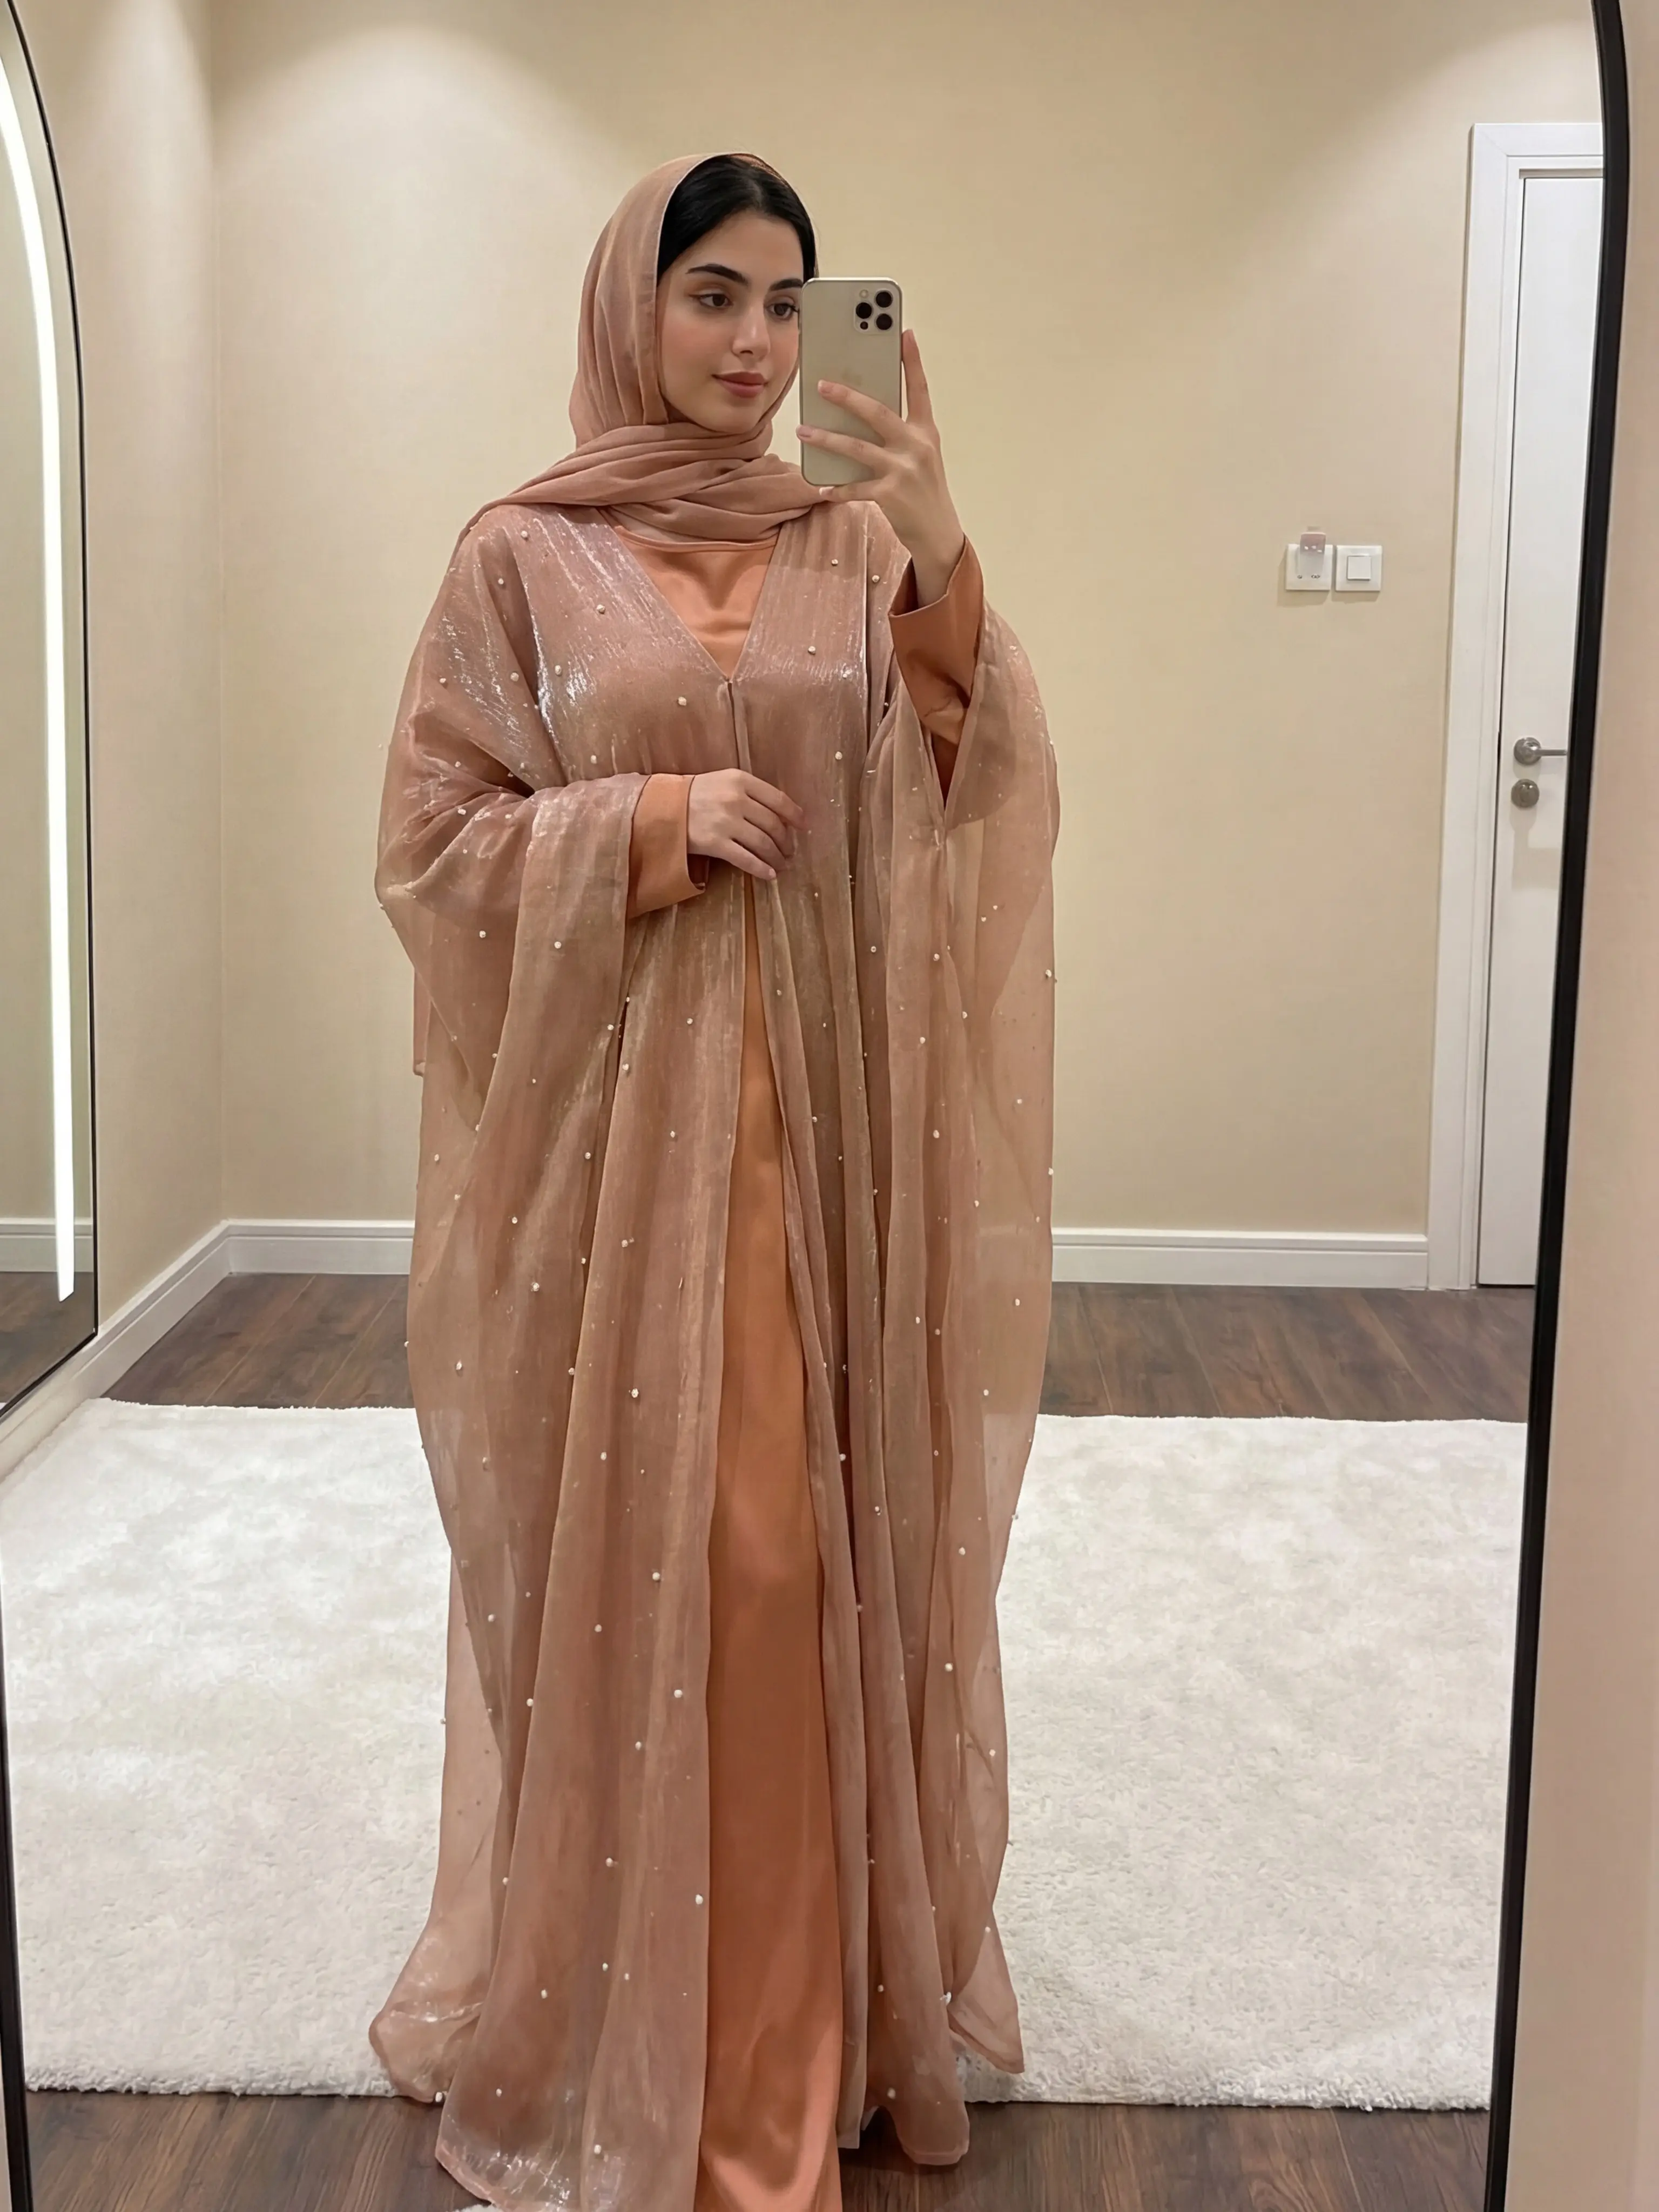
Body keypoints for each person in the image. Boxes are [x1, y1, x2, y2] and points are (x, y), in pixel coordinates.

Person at [370, 147, 1059, 2212]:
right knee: (662, 1552)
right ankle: (643, 2011)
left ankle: (800, 2024)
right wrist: (652, 820)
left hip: (836, 1134)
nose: (755, 344)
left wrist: (942, 548)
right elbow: (431, 843)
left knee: (794, 1548)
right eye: (713, 296)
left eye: (786, 302)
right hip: (613, 1155)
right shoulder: (521, 554)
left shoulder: (854, 538)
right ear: (633, 307)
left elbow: (981, 784)